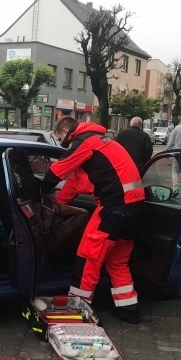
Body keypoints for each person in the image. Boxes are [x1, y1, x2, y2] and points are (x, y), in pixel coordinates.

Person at [42, 116, 145, 324]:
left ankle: (78, 311)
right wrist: (55, 203)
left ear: (64, 131)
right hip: (135, 209)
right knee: (117, 261)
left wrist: (39, 190)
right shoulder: (102, 143)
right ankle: (128, 310)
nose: (62, 141)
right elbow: (77, 183)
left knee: (88, 258)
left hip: (114, 208)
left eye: (60, 136)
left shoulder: (85, 142)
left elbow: (57, 170)